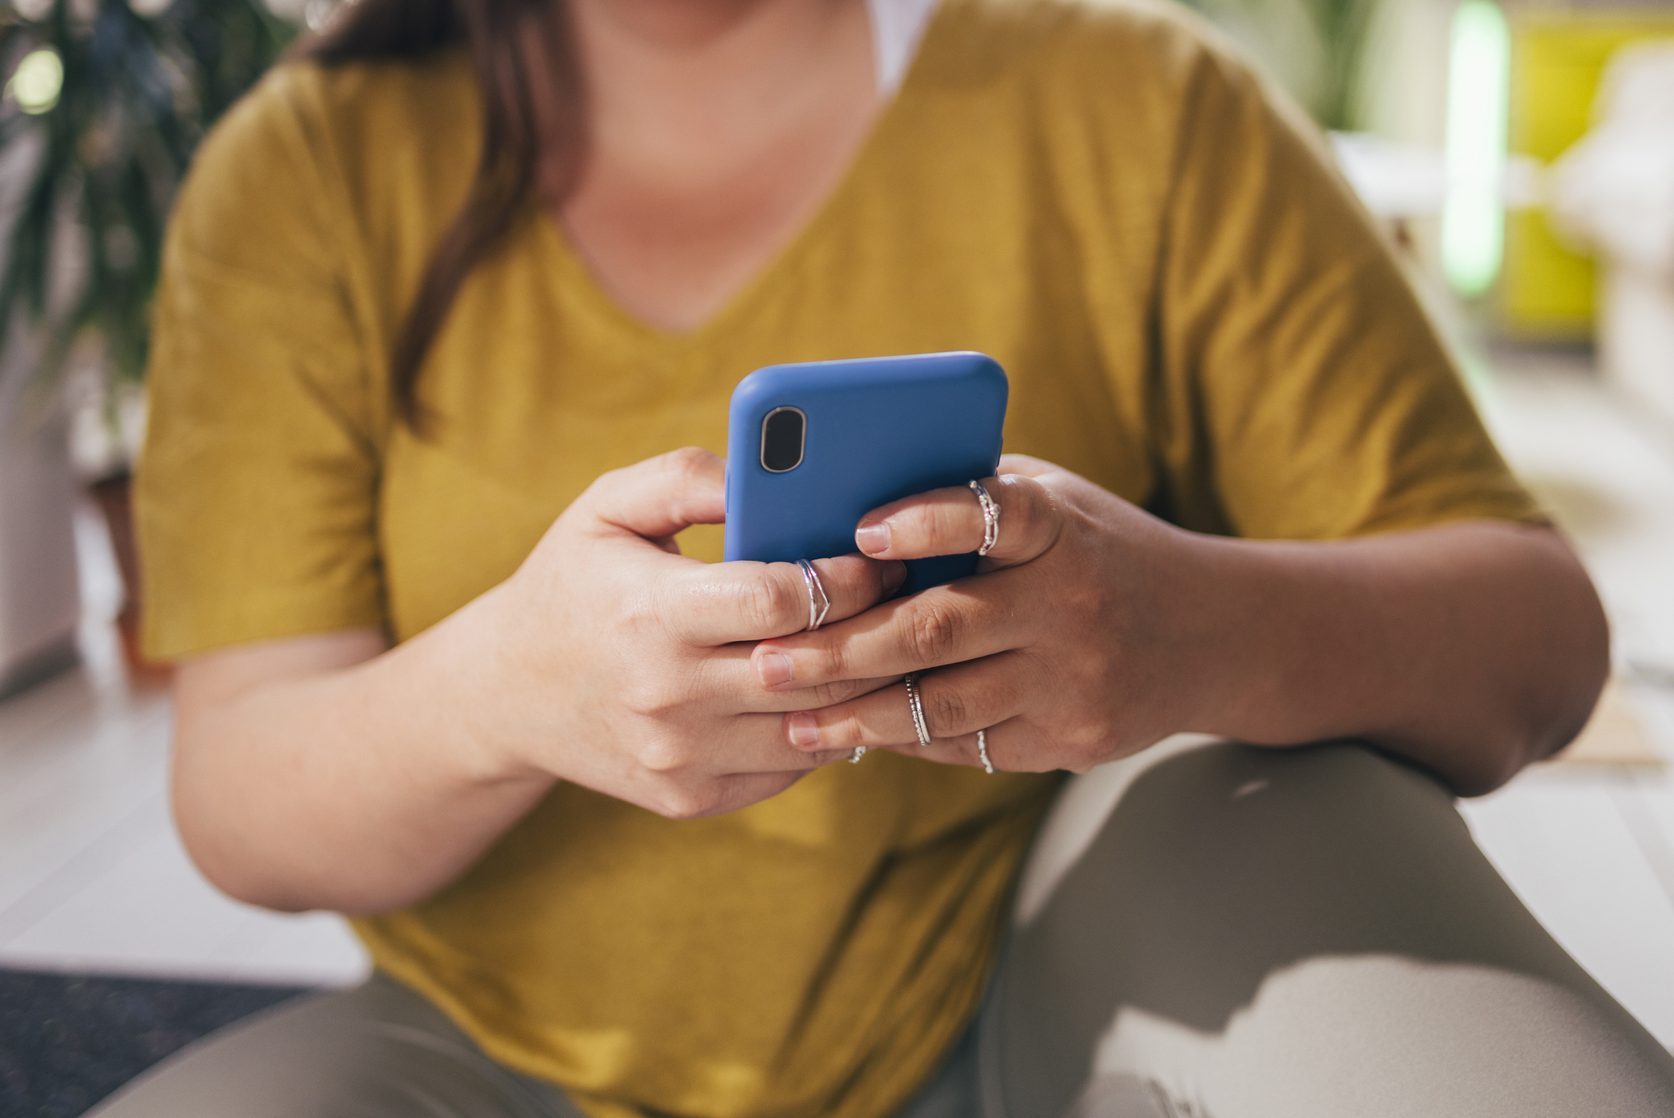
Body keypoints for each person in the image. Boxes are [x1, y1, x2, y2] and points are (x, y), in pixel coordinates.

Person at [100, 0, 1674, 1114]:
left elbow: (1536, 643)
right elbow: (242, 793)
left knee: (1258, 808)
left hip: (1056, 994)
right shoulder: (302, 173)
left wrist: (1179, 626)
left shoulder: (1142, 103)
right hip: (481, 1047)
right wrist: (500, 695)